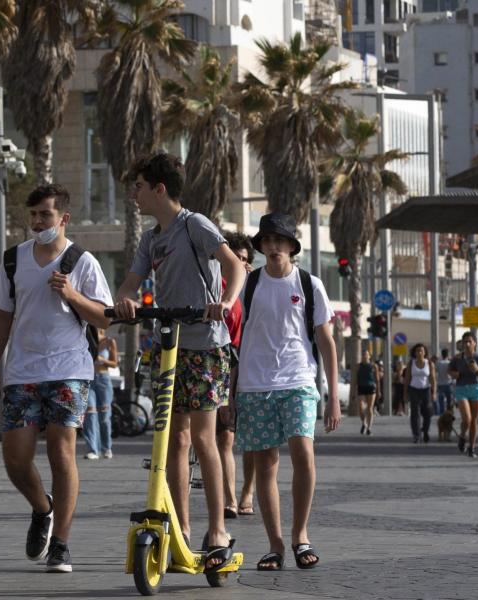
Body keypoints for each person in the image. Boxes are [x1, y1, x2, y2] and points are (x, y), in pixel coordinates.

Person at [113, 153, 246, 573]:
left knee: (204, 438)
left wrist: (224, 302)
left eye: (138, 187)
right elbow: (130, 283)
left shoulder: (195, 224)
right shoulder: (151, 239)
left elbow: (234, 265)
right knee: (173, 439)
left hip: (205, 344)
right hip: (168, 345)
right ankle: (181, 531)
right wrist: (126, 301)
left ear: (159, 189)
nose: (133, 195)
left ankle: (218, 531)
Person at [0, 183, 113, 573]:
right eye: (34, 214)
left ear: (64, 219)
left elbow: (105, 319)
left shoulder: (82, 261)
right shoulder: (14, 260)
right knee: (16, 459)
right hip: (22, 372)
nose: (39, 221)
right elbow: (1, 317)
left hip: (69, 370)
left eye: (46, 215)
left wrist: (73, 295)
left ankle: (61, 544)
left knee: (61, 452)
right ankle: (43, 508)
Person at [233, 213, 340, 571]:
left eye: (280, 240)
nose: (273, 245)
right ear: (261, 246)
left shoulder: (309, 284)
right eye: (267, 240)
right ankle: (275, 544)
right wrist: (230, 393)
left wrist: (333, 397)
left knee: (303, 452)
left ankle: (301, 535)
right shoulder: (248, 285)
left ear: (292, 246)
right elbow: (237, 339)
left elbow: (326, 341)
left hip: (298, 380)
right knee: (265, 464)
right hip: (255, 383)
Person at [218, 231, 255, 518]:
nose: (239, 264)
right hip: (226, 367)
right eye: (235, 258)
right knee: (226, 438)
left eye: (244, 260)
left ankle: (247, 493)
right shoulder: (216, 289)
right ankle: (230, 498)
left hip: (254, 370)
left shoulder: (256, 288)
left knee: (253, 440)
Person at [448, 332, 478, 458]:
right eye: (464, 341)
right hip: (461, 389)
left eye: (469, 341)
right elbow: (449, 371)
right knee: (467, 419)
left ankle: (472, 447)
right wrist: (454, 374)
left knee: (474, 421)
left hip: (476, 389)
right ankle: (462, 436)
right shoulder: (457, 358)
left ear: (474, 344)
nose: (466, 344)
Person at [83, 329, 117, 460]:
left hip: (103, 379)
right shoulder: (84, 339)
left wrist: (103, 360)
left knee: (104, 416)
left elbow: (114, 364)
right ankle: (93, 450)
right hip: (88, 379)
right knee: (90, 413)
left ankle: (106, 448)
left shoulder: (109, 341)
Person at [404, 343, 436, 443]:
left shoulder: (429, 363)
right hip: (414, 389)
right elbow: (407, 378)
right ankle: (416, 434)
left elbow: (432, 378)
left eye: (421, 351)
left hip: (426, 389)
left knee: (427, 412)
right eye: (417, 351)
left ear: (425, 352)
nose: (419, 353)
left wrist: (434, 392)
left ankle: (425, 430)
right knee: (415, 413)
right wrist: (405, 392)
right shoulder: (411, 363)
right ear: (414, 353)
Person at [356, 349, 380, 435]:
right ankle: (364, 423)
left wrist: (379, 391)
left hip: (371, 387)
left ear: (369, 356)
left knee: (370, 407)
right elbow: (355, 378)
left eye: (366, 354)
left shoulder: (374, 366)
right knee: (361, 407)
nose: (365, 356)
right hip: (361, 387)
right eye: (363, 355)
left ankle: (369, 427)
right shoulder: (358, 366)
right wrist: (354, 390)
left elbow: (377, 379)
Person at [435, 349, 454, 415]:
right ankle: (450, 413)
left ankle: (442, 413)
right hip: (448, 383)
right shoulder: (449, 363)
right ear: (448, 355)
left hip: (440, 383)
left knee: (441, 400)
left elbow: (435, 372)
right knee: (449, 400)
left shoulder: (438, 363)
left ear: (442, 355)